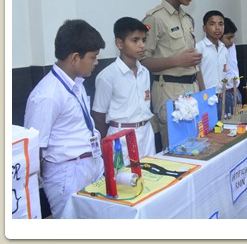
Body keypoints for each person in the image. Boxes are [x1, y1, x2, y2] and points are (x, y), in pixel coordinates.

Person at [24, 19, 106, 219]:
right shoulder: (47, 94)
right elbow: (35, 149)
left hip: (90, 164)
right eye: (93, 57)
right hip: (67, 173)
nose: (96, 62)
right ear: (75, 58)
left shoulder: (76, 83)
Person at [141, 0, 205, 151]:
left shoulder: (186, 19)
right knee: (176, 150)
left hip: (192, 88)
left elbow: (193, 61)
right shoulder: (155, 19)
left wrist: (202, 92)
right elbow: (143, 62)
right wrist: (177, 61)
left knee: (195, 147)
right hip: (169, 89)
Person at [92, 17, 156, 165]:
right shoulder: (107, 76)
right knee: (125, 183)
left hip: (146, 132)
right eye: (135, 40)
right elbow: (98, 115)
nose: (141, 46)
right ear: (119, 43)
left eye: (144, 40)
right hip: (121, 137)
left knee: (151, 178)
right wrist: (104, 146)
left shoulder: (144, 72)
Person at [195, 10, 228, 120]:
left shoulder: (224, 48)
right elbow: (196, 74)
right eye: (212, 24)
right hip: (205, 98)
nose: (217, 28)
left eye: (221, 24)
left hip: (222, 97)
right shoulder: (199, 48)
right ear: (204, 28)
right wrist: (203, 96)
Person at [220, 17, 243, 116]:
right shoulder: (215, 51)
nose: (232, 41)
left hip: (235, 91)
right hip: (223, 94)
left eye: (233, 37)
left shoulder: (231, 46)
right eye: (228, 38)